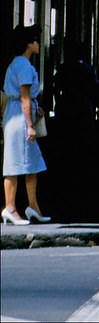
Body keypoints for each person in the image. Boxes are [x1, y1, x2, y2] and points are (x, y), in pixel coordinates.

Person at [2, 25, 50, 225]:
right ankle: (10, 207)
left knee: (32, 163)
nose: (39, 44)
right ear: (29, 44)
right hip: (20, 118)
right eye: (36, 40)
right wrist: (30, 125)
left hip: (17, 114)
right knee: (15, 163)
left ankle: (33, 206)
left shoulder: (19, 64)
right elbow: (25, 97)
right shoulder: (23, 65)